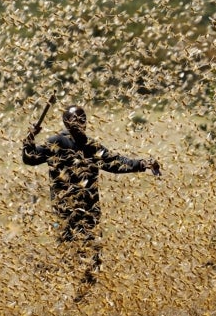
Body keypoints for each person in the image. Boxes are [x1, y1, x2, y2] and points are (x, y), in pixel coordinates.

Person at [22, 104, 160, 297]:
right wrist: (30, 137)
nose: (79, 123)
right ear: (66, 123)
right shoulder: (55, 142)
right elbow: (30, 158)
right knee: (71, 254)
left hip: (90, 212)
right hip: (65, 211)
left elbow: (116, 162)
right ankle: (64, 294)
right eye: (75, 120)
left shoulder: (91, 146)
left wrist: (142, 164)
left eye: (82, 119)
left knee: (94, 258)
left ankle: (81, 298)